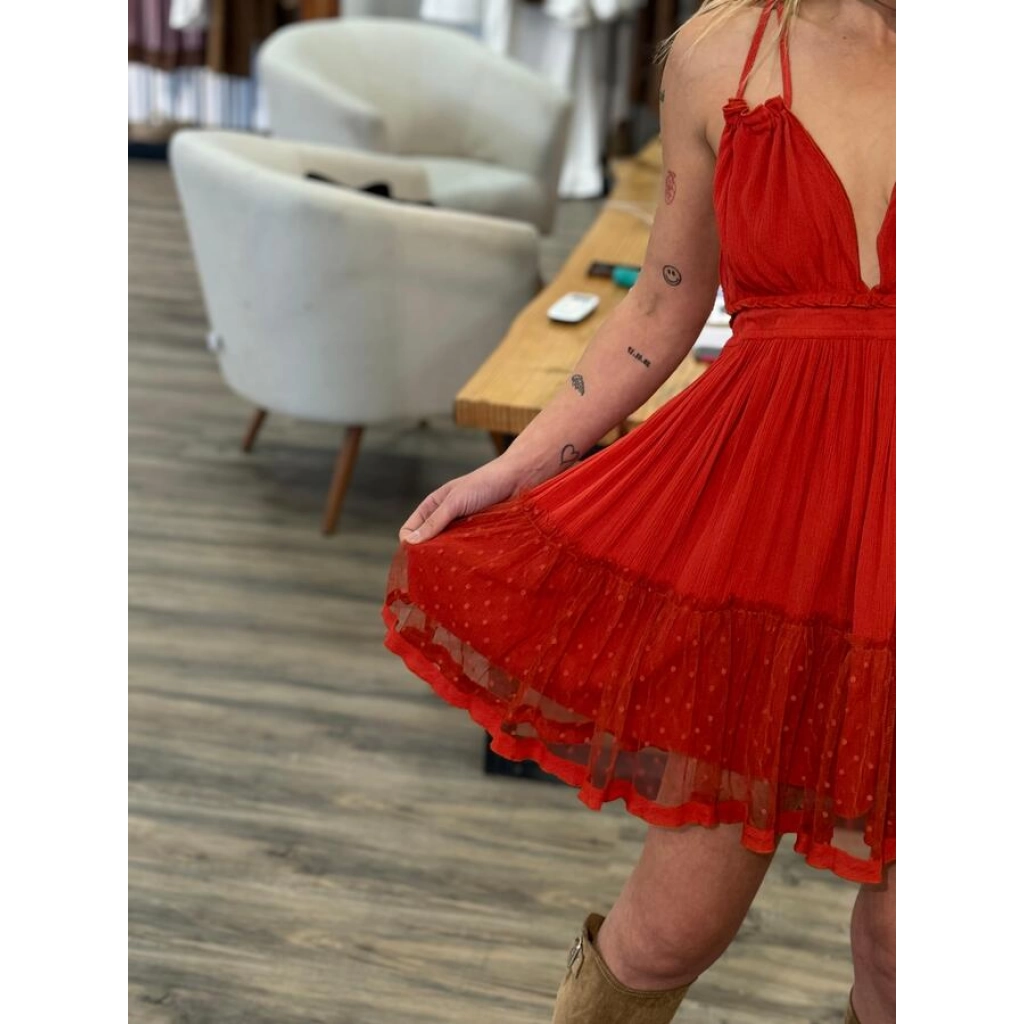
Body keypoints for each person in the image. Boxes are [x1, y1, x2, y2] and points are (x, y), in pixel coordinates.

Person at [381, 0, 895, 1020]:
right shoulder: (720, 52)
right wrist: (513, 468)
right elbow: (662, 301)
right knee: (669, 931)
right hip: (765, 537)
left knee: (908, 958)